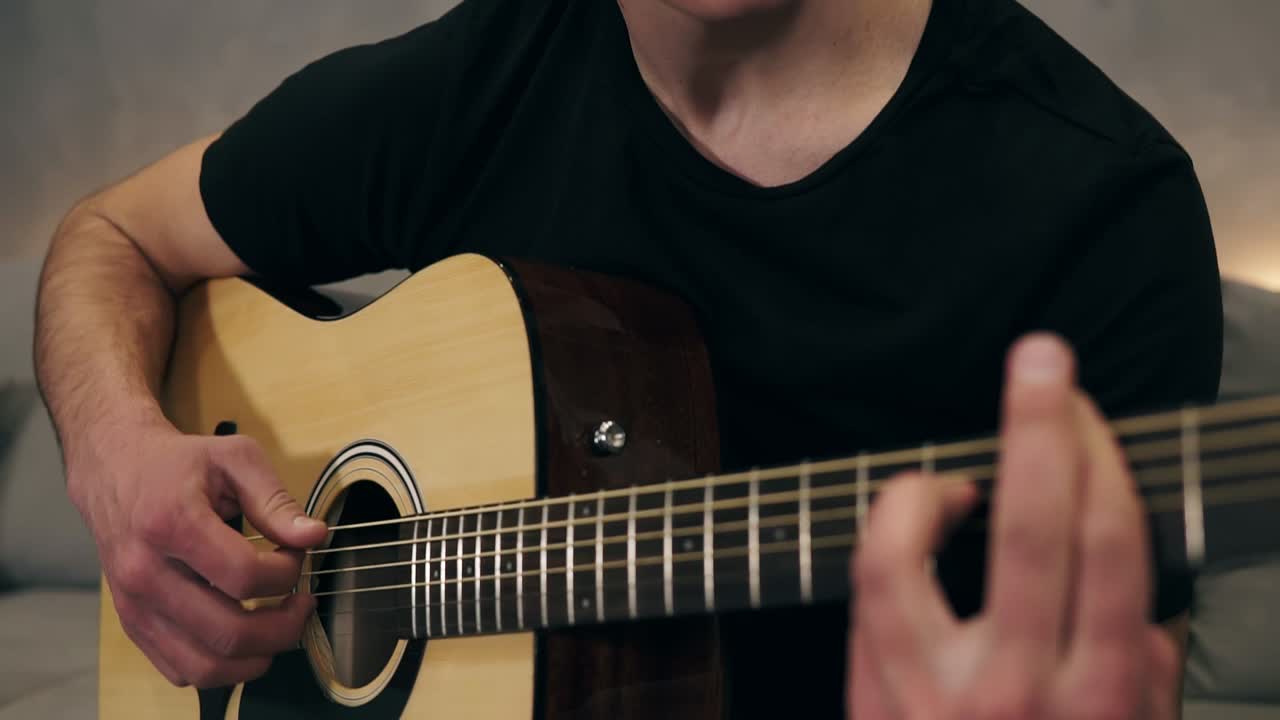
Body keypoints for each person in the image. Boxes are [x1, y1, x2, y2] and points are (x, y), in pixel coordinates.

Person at [34, 0, 1222, 717]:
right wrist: (116, 453)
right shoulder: (478, 81)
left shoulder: (1098, 208)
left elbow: (1125, 677)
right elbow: (111, 235)